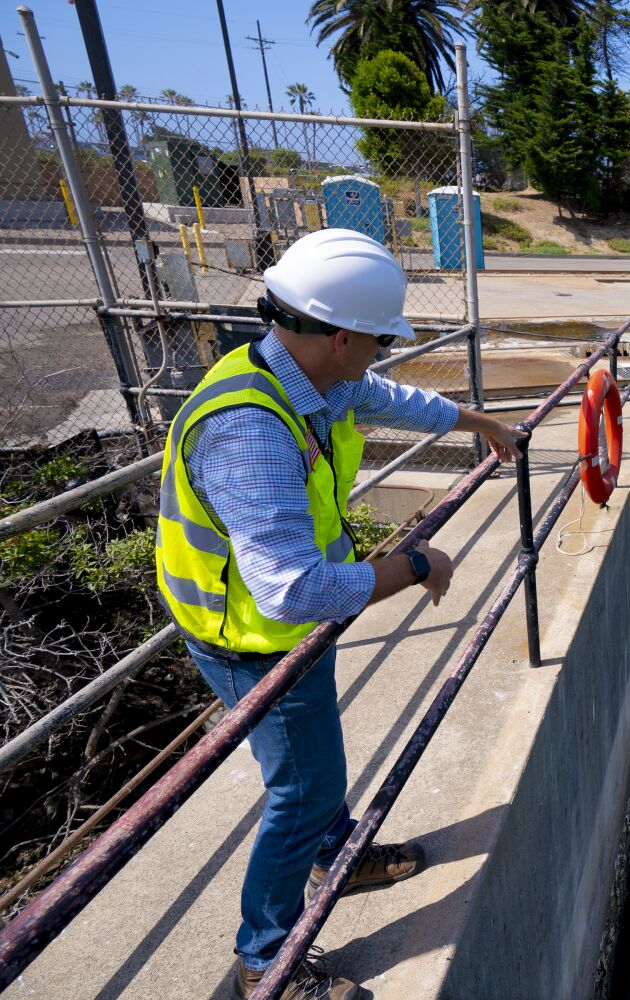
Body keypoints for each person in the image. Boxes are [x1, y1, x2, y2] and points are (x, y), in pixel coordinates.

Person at [154, 229, 522, 999]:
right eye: (381, 340)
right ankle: (266, 961)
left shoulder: (308, 372)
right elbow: (293, 589)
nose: (383, 355)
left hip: (275, 626)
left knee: (311, 778)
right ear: (343, 335)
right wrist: (416, 564)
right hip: (250, 637)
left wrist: (475, 421)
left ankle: (333, 857)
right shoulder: (249, 428)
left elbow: (389, 398)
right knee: (304, 789)